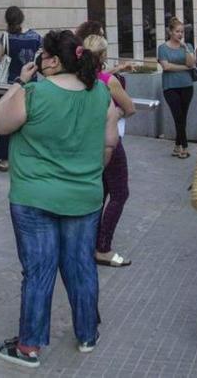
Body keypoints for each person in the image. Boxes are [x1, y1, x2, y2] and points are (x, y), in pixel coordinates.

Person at [0, 30, 120, 369]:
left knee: (38, 269)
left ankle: (29, 346)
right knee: (81, 266)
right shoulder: (101, 93)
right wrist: (86, 173)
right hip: (84, 196)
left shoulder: (33, 93)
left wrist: (19, 82)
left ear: (52, 60)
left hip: (34, 195)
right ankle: (87, 333)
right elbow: (110, 143)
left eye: (42, 54)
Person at [83, 34, 138, 267]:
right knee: (119, 193)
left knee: (101, 191)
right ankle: (103, 247)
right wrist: (116, 114)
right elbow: (130, 108)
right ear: (103, 55)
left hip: (87, 142)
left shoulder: (79, 78)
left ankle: (90, 241)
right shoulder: (108, 81)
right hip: (109, 141)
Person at [0, 6, 43, 172]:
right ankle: (28, 158)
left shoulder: (6, 37)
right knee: (28, 121)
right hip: (30, 85)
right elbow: (42, 57)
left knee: (6, 120)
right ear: (22, 18)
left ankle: (4, 160)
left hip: (9, 85)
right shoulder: (36, 37)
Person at [157, 17, 196, 159]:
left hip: (186, 85)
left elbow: (191, 64)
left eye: (182, 31)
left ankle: (177, 146)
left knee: (183, 116)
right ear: (170, 32)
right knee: (177, 115)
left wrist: (186, 48)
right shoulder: (162, 48)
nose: (180, 34)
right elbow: (166, 66)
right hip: (170, 86)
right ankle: (185, 146)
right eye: (177, 31)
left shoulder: (188, 46)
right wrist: (184, 67)